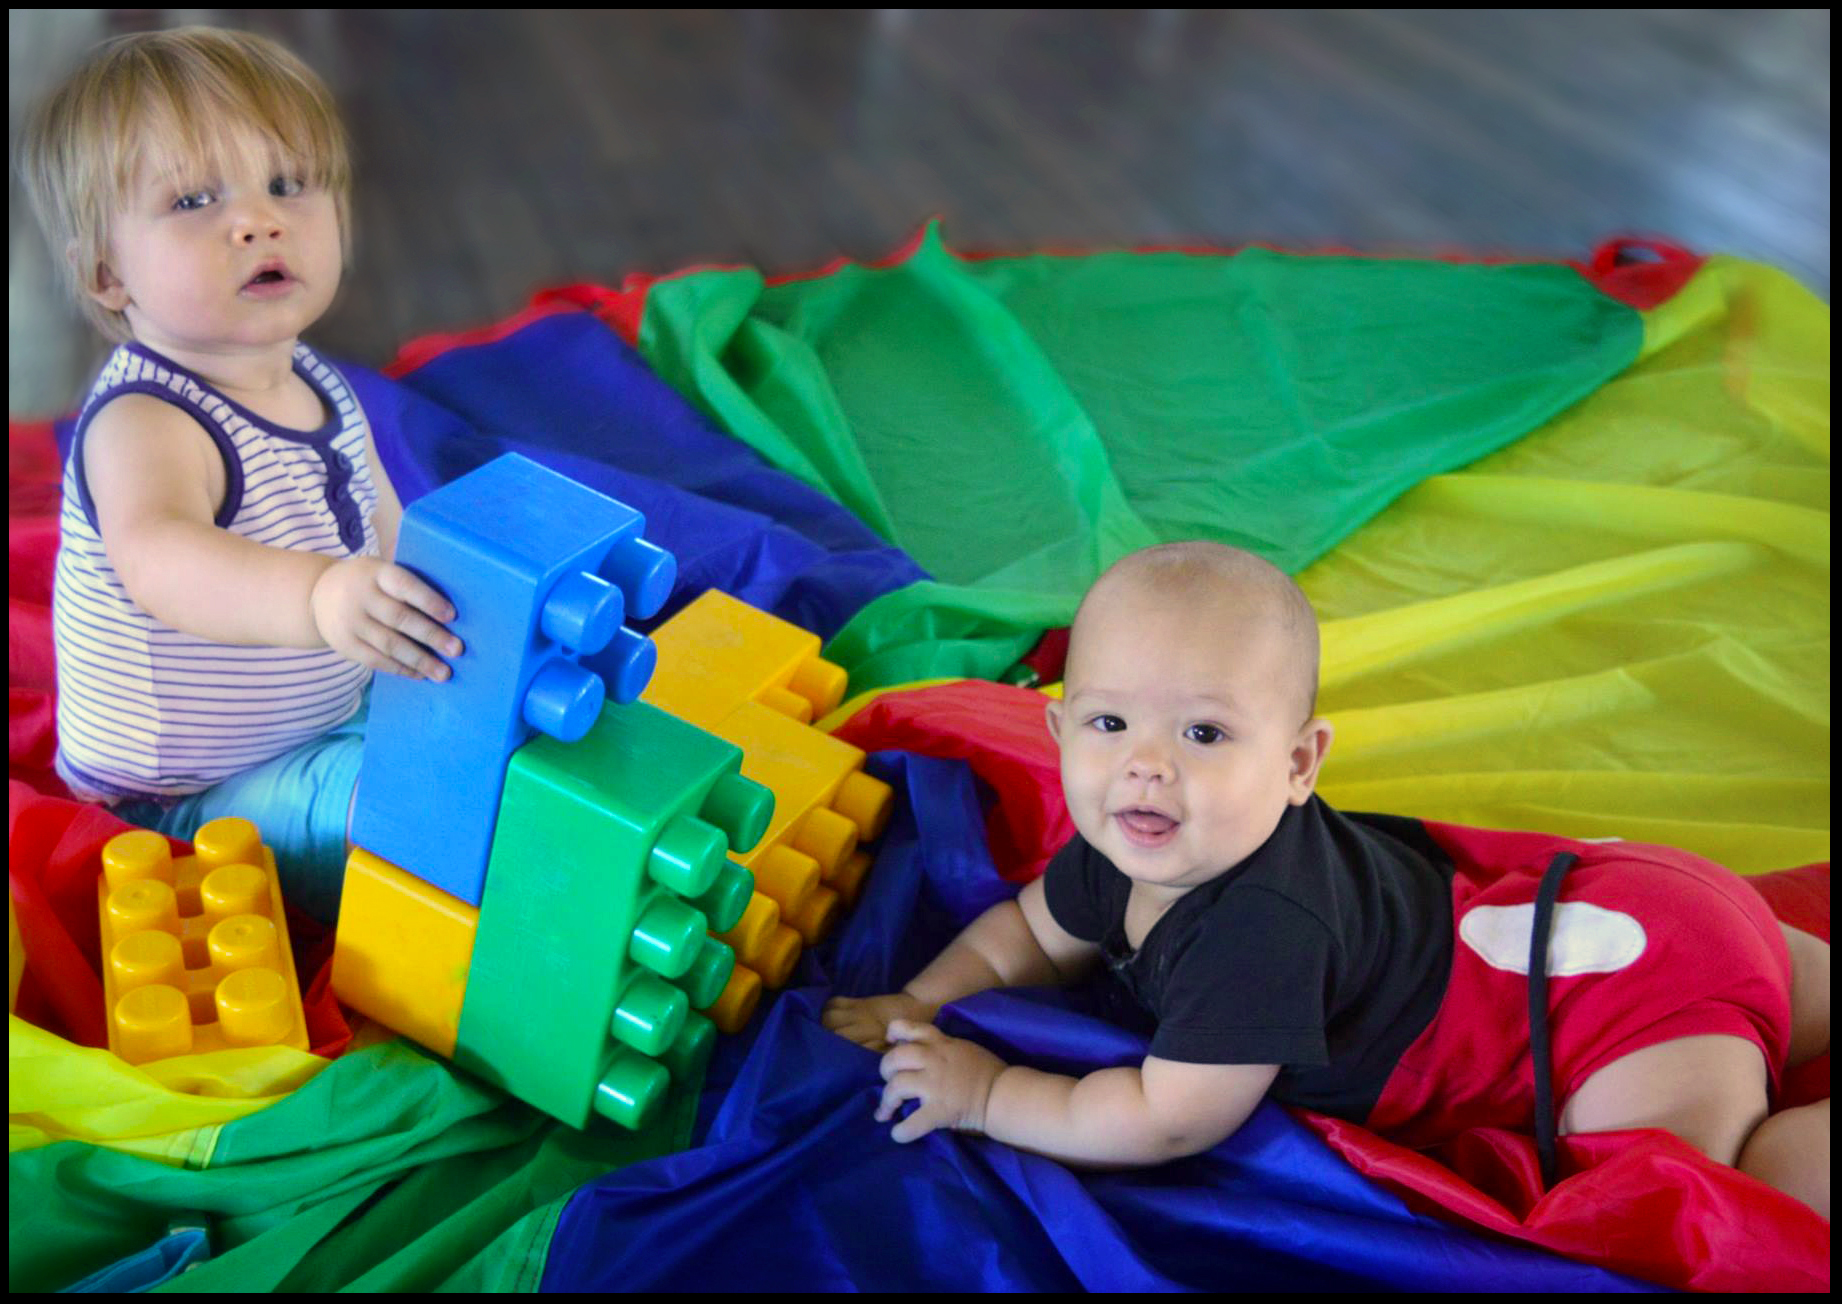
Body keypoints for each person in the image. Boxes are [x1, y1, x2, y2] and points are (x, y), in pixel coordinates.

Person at [822, 541, 1831, 1218]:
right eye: (1109, 722)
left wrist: (990, 1092)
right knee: (1779, 979)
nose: (1147, 762)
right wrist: (923, 1000)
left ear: (1301, 764)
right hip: (1648, 903)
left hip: (1619, 1014)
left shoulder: (1256, 928)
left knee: (1695, 1195)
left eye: (1205, 731)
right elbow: (1025, 936)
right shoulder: (1132, 838)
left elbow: (1165, 1114)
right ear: (1059, 729)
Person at [17, 27, 461, 921]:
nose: (257, 219)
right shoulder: (145, 419)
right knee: (419, 813)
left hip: (330, 713)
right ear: (107, 275)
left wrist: (440, 603)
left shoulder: (320, 380)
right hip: (185, 797)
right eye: (193, 200)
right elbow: (165, 560)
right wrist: (321, 599)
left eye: (287, 185)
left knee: (486, 742)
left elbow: (382, 522)